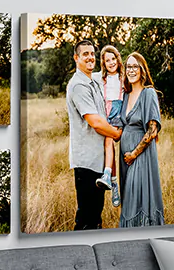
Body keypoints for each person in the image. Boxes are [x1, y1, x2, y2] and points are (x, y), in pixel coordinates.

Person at [66, 40, 122, 230]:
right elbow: (96, 122)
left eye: (92, 53)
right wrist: (116, 133)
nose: (90, 57)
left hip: (97, 161)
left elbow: (112, 74)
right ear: (76, 58)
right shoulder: (79, 86)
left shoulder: (94, 81)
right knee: (86, 219)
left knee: (95, 218)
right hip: (86, 162)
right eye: (85, 54)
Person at [117, 52, 165, 227]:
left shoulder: (148, 93)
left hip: (140, 157)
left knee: (135, 203)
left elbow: (152, 131)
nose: (131, 70)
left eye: (134, 66)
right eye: (128, 67)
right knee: (128, 200)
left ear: (142, 69)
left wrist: (133, 154)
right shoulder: (125, 96)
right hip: (125, 160)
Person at [92, 45, 125, 207]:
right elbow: (87, 75)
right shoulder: (101, 78)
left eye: (113, 59)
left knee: (110, 143)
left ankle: (109, 177)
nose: (111, 62)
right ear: (103, 64)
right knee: (108, 143)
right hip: (107, 115)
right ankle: (113, 183)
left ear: (118, 60)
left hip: (120, 116)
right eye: (107, 61)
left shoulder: (124, 77)